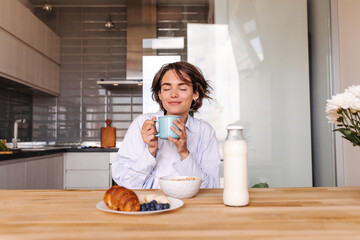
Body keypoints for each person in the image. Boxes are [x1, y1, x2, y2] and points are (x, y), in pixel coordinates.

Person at [112, 62, 220, 189]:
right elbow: (126, 183)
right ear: (159, 94)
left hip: (191, 205)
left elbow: (211, 187)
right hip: (151, 205)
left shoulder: (205, 131)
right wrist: (150, 150)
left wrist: (184, 153)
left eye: (183, 88)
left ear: (195, 94)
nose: (173, 95)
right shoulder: (142, 124)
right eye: (167, 89)